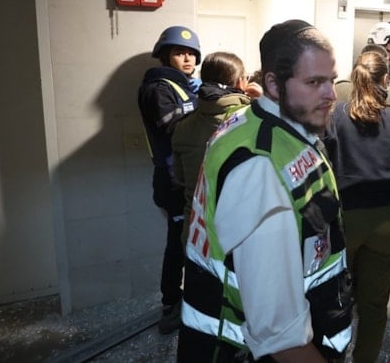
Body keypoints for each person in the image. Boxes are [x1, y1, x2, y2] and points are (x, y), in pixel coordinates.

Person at [178, 20, 353, 362]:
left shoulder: (260, 123)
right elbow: (281, 339)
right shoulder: (260, 168)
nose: (331, 94)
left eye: (331, 80)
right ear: (273, 84)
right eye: (314, 82)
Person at [324, 50, 390, 363]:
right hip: (386, 220)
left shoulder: (334, 117)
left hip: (342, 219)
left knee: (330, 300)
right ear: (386, 79)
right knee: (374, 305)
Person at [137, 25, 201, 334]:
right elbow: (173, 127)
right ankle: (171, 304)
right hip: (173, 180)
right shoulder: (157, 88)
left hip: (190, 177)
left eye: (191, 53)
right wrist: (206, 106)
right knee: (177, 244)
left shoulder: (184, 86)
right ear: (165, 56)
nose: (187, 59)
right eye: (179, 53)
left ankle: (193, 300)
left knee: (192, 240)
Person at [171, 51, 262, 246]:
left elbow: (180, 178)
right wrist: (267, 104)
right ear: (241, 82)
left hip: (196, 236)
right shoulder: (253, 119)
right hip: (239, 239)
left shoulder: (183, 125)